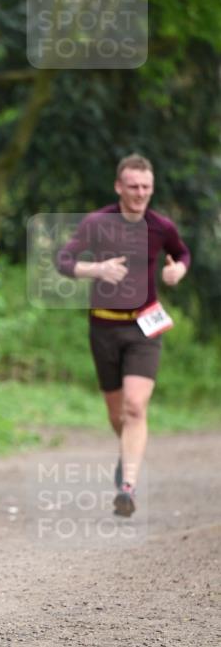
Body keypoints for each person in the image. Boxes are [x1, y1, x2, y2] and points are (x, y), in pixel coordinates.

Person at [56, 153, 190, 517]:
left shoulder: (161, 226)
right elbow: (63, 261)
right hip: (103, 326)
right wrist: (96, 269)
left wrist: (178, 269)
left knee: (135, 406)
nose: (140, 193)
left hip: (145, 327)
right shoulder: (97, 223)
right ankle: (127, 452)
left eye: (146, 187)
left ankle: (127, 486)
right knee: (117, 413)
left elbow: (182, 253)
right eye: (133, 186)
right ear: (119, 186)